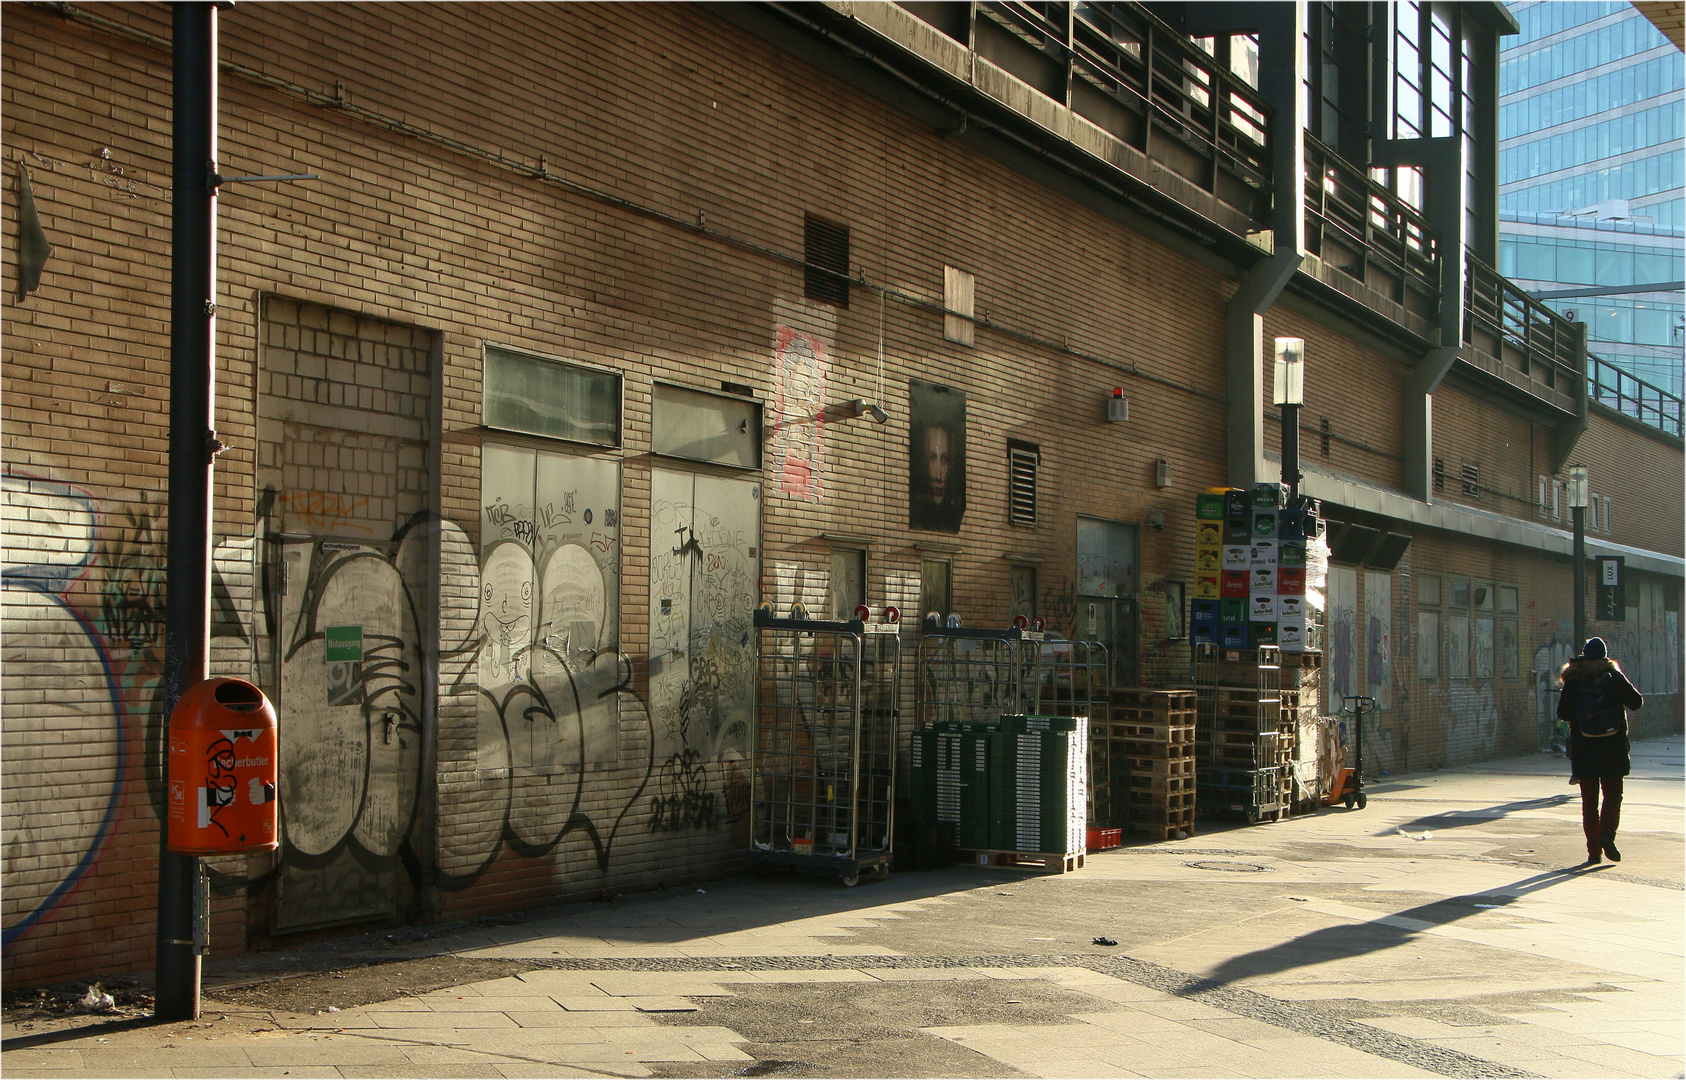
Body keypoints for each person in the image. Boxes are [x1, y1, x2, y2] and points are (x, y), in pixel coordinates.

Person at [1558, 637, 1643, 864]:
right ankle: (1606, 835)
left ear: (1584, 655)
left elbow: (1563, 712)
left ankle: (1593, 851)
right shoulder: (1613, 676)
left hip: (1584, 749)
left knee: (1589, 801)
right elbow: (1636, 702)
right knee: (1613, 794)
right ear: (1604, 656)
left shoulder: (1574, 679)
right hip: (1613, 747)